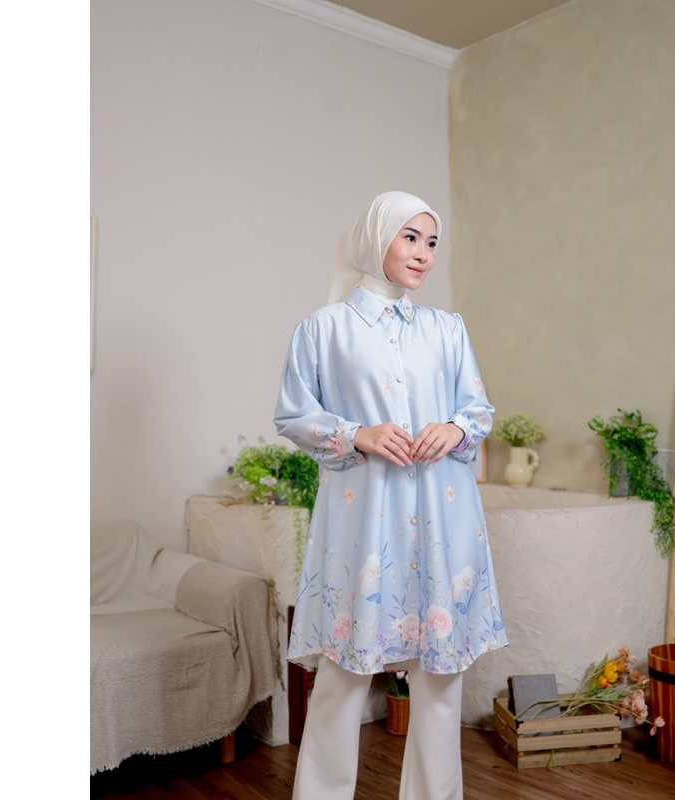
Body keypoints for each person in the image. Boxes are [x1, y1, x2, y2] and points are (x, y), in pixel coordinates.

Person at [274, 191, 508, 800]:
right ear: (376, 238)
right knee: (343, 675)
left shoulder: (447, 329)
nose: (424, 253)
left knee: (441, 678)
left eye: (432, 242)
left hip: (443, 516)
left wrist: (454, 428)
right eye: (410, 237)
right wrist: (359, 434)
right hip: (364, 523)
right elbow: (294, 415)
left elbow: (478, 410)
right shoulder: (323, 329)